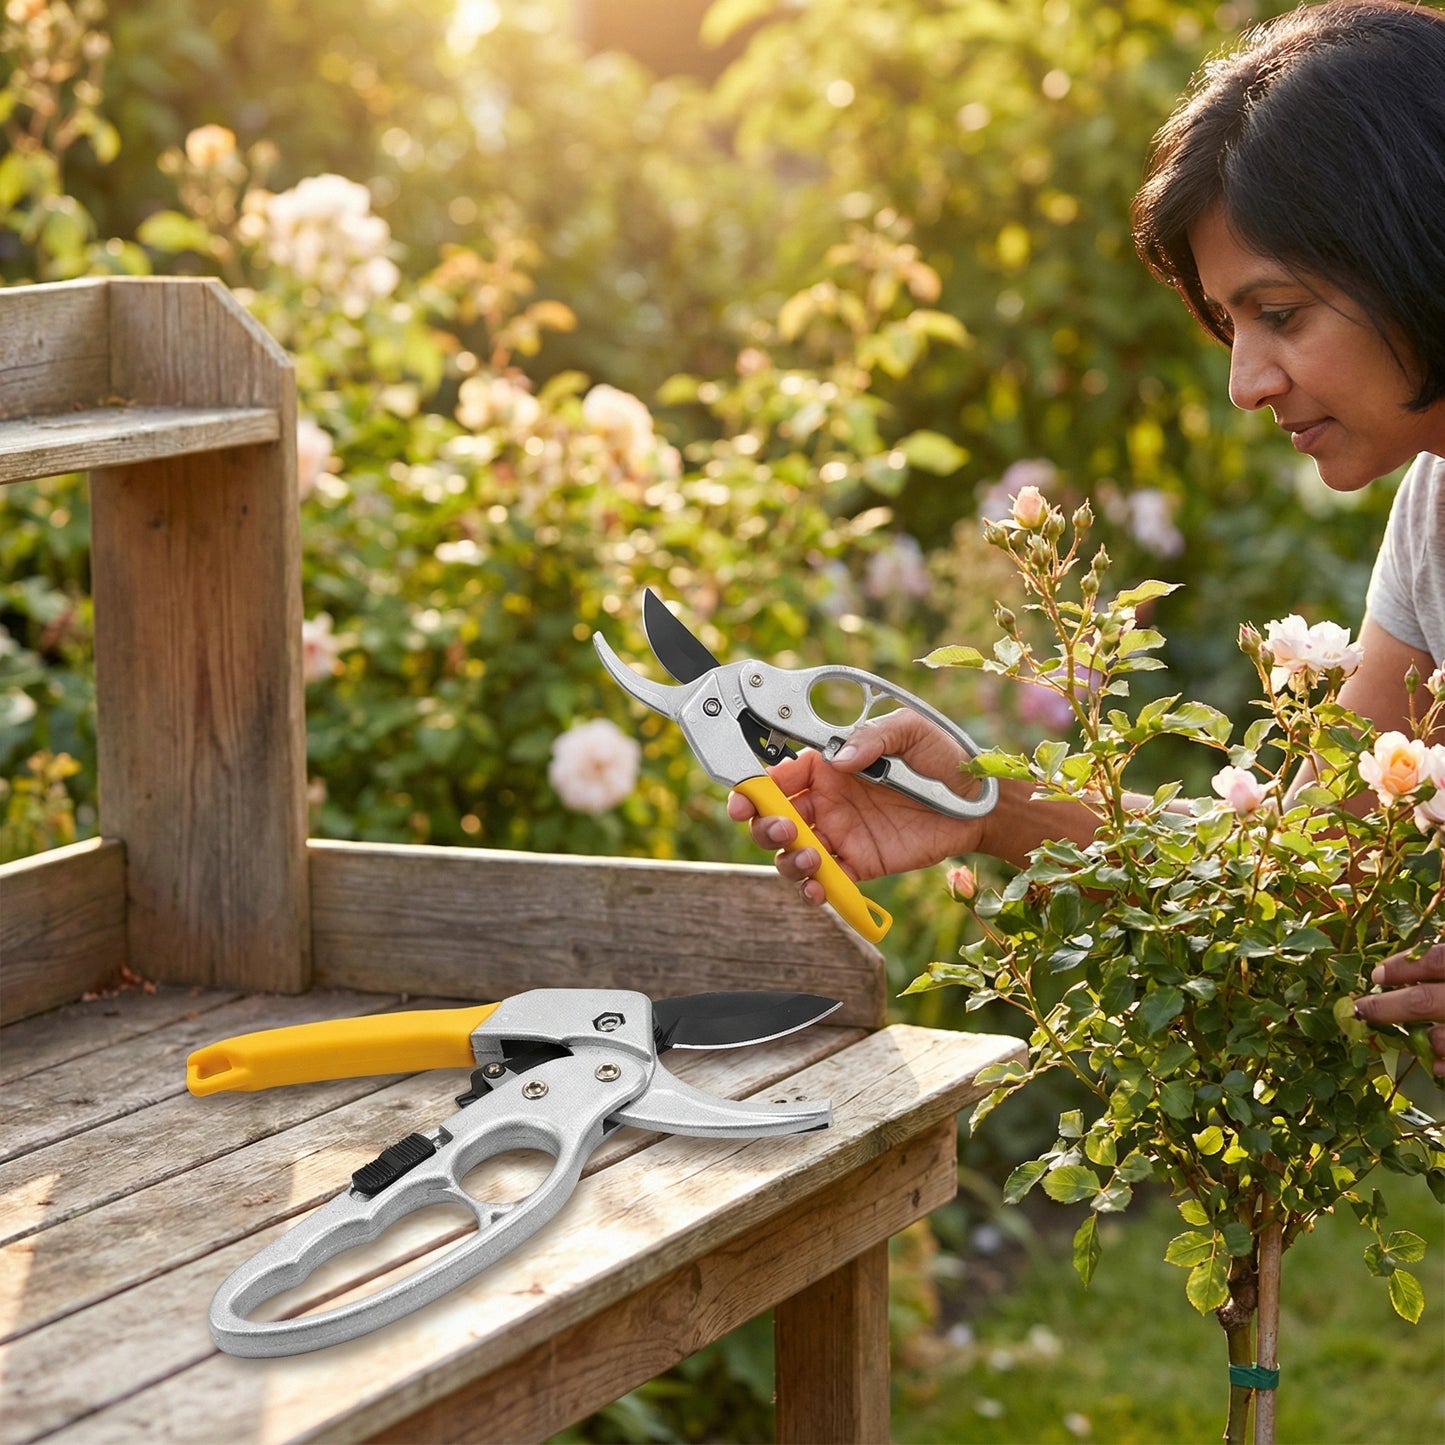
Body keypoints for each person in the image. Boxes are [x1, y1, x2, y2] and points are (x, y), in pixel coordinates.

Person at [727, 0, 1445, 1074]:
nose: (1246, 381)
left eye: (1281, 314)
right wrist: (979, 800)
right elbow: (1304, 873)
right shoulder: (1431, 513)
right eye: (1229, 324)